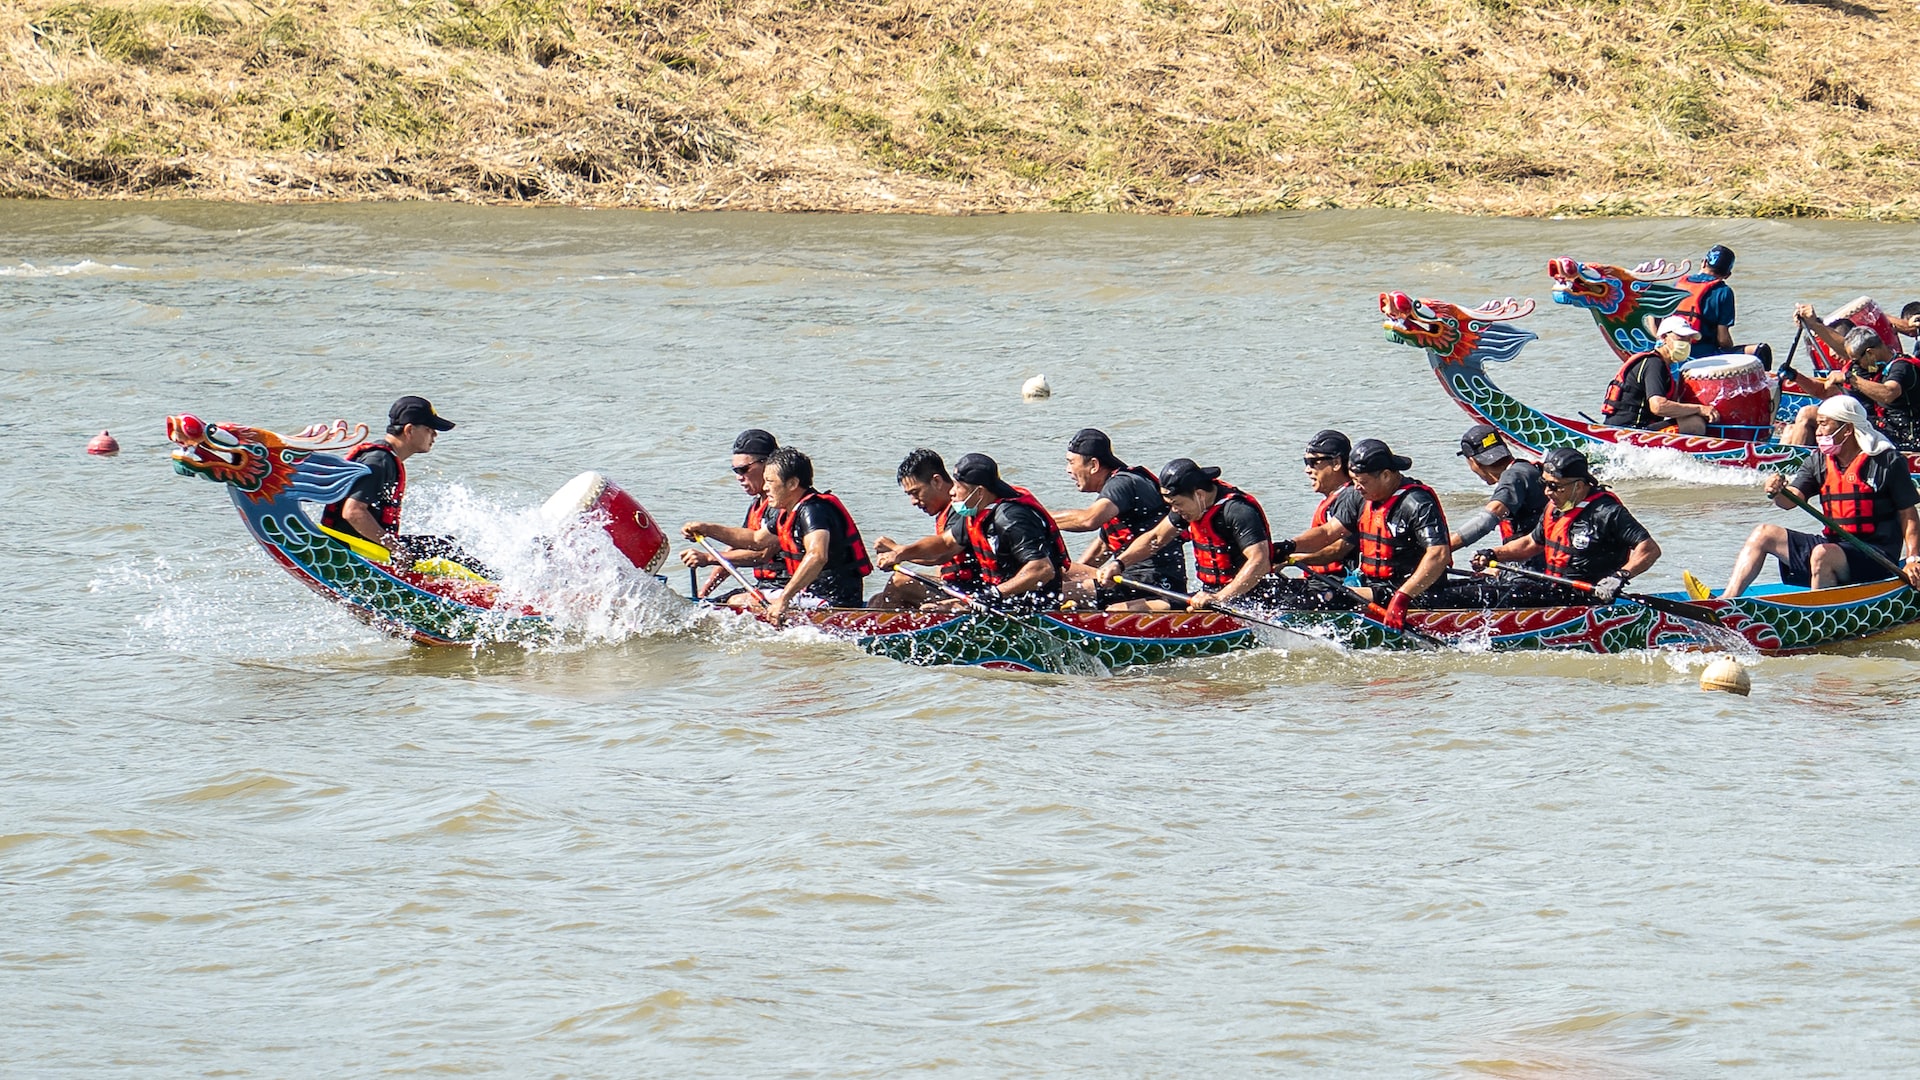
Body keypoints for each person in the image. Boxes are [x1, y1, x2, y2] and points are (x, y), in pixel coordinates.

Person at [1722, 396, 1920, 597]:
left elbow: (1909, 515)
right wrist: (1776, 491)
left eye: (1824, 425)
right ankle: (1727, 602)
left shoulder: (1887, 461)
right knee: (1763, 533)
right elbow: (1789, 501)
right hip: (1835, 547)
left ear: (1848, 429)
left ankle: (1816, 613)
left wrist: (1913, 560)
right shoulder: (1818, 461)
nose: (1817, 432)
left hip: (1877, 556)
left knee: (1822, 554)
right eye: (1817, 424)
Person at [681, 447, 872, 621]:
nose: (765, 488)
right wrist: (707, 529)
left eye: (770, 482)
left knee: (737, 602)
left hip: (833, 600)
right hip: (808, 594)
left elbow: (817, 555)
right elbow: (756, 539)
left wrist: (783, 599)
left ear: (792, 484)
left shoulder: (814, 510)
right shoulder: (787, 511)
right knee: (722, 602)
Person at [320, 395, 490, 573]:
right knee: (445, 550)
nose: (435, 435)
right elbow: (353, 512)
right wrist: (397, 549)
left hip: (361, 545)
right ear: (409, 430)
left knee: (445, 544)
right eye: (430, 429)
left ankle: (495, 585)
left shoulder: (384, 458)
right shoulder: (379, 461)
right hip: (354, 550)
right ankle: (497, 591)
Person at [875, 453, 1068, 609]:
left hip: (1026, 607)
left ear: (980, 492)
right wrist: (901, 552)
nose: (952, 492)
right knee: (881, 598)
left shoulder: (1011, 518)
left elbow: (1042, 569)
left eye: (958, 487)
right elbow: (945, 544)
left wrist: (988, 597)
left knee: (902, 583)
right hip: (994, 598)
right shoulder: (977, 514)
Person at [1468, 448, 1661, 604]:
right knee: (1468, 588)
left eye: (1555, 486)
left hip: (1587, 598)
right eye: (1545, 483)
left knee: (1482, 598)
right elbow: (1530, 544)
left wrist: (1619, 577)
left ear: (1579, 485)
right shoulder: (1554, 508)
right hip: (1553, 590)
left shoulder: (1607, 512)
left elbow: (1650, 549)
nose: (1547, 492)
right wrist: (1493, 553)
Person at [1097, 459, 1291, 612]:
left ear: (1199, 494)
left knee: (1131, 611)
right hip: (1210, 596)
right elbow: (1155, 538)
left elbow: (1260, 561)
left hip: (1248, 599)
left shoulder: (1237, 511)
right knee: (1117, 610)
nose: (1174, 510)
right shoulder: (1190, 507)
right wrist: (1119, 564)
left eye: (1177, 503)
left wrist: (1220, 598)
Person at [1050, 428, 1185, 606]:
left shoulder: (1123, 483)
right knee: (1054, 575)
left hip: (1153, 580)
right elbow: (1100, 551)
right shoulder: (1115, 495)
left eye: (1071, 462)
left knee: (1054, 594)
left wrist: (1036, 517)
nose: (1068, 470)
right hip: (1126, 576)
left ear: (1094, 465)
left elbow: (1089, 520)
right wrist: (1068, 577)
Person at [1343, 440, 1451, 628]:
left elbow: (1439, 554)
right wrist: (1289, 547)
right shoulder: (1362, 496)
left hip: (1412, 591)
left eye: (1362, 482)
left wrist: (1403, 596)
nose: (1357, 487)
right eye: (1353, 481)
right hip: (1376, 586)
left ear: (1385, 475)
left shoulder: (1417, 503)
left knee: (1333, 598)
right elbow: (1328, 532)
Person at [1780, 307, 1919, 450]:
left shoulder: (1902, 367)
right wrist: (1813, 324)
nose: (1853, 363)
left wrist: (1849, 378)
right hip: (1872, 427)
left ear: (1870, 353)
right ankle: (1791, 462)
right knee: (1791, 429)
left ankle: (1797, 461)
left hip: (1902, 437)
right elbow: (1824, 390)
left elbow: (1888, 393)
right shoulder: (1866, 365)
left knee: (1808, 414)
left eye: (1856, 360)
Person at [867, 449, 984, 610]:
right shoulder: (945, 512)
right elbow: (942, 566)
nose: (913, 501)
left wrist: (896, 551)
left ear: (936, 481)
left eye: (916, 492)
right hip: (956, 586)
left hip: (975, 594)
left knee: (901, 581)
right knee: (877, 600)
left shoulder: (962, 509)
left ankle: (885, 632)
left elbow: (941, 554)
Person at [680, 429, 786, 605]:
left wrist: (708, 558)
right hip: (767, 585)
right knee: (710, 606)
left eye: (744, 470)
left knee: (734, 602)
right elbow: (734, 550)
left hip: (791, 587)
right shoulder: (756, 505)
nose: (739, 477)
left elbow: (761, 554)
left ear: (769, 465)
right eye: (735, 471)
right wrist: (703, 594)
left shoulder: (782, 504)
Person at [1447, 424, 1547, 567]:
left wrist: (1443, 549)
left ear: (1473, 461)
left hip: (1534, 569)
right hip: (1534, 561)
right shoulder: (1526, 470)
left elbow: (1487, 519)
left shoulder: (1513, 476)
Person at [1600, 315, 1719, 435]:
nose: (1686, 343)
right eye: (1680, 337)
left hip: (1634, 428)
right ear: (1664, 337)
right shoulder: (1654, 364)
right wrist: (1700, 409)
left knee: (1692, 415)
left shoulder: (1662, 365)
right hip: (1630, 430)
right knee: (1694, 423)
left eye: (1689, 339)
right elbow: (1658, 406)